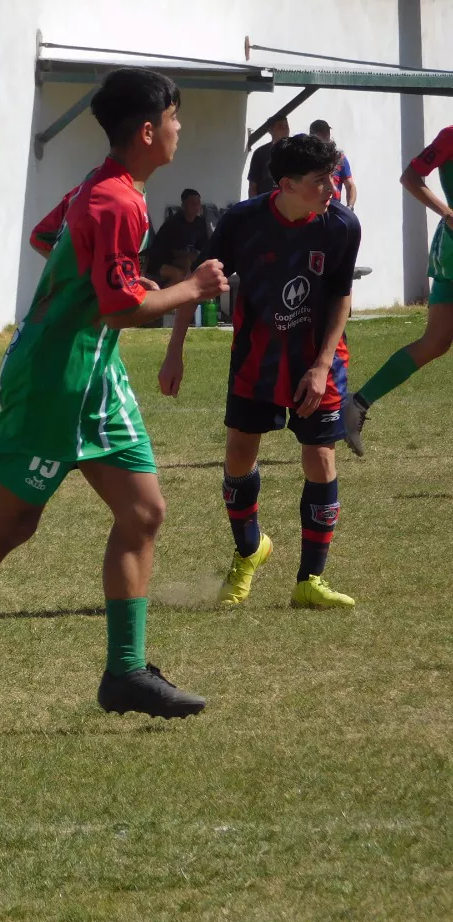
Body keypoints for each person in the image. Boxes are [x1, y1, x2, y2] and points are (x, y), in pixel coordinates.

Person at [0, 67, 227, 727]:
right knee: (11, 524)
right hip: (52, 379)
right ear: (146, 130)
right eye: (174, 119)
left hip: (95, 375)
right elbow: (123, 305)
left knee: (144, 513)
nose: (179, 130)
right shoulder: (116, 201)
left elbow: (50, 239)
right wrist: (191, 290)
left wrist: (82, 281)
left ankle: (125, 672)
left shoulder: (101, 189)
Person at [160, 134, 361, 610]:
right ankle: (250, 550)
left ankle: (310, 581)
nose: (332, 187)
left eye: (332, 176)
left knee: (320, 457)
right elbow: (199, 281)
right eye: (321, 180)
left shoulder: (342, 226)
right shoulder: (241, 221)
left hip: (318, 361)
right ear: (287, 184)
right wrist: (175, 350)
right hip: (258, 356)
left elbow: (340, 296)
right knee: (238, 454)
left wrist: (321, 363)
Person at [343, 125, 453, 455]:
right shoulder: (450, 136)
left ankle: (357, 404)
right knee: (434, 343)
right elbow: (411, 177)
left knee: (434, 344)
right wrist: (447, 212)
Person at [146, 188, 213, 285]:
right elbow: (175, 252)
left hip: (181, 261)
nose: (196, 206)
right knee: (181, 274)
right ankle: (167, 298)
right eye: (192, 203)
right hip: (159, 263)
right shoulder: (173, 224)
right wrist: (195, 256)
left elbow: (203, 246)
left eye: (198, 203)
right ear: (183, 205)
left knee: (191, 268)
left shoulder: (200, 223)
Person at [310, 120, 357, 208]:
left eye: (327, 131)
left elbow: (350, 185)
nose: (326, 135)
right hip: (312, 208)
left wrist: (350, 207)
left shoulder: (339, 158)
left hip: (333, 208)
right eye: (322, 132)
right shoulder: (306, 157)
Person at [248, 115, 290, 198]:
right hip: (266, 204)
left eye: (286, 126)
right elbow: (253, 185)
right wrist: (254, 207)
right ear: (270, 130)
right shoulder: (260, 153)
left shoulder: (296, 151)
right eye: (280, 126)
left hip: (290, 204)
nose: (285, 129)